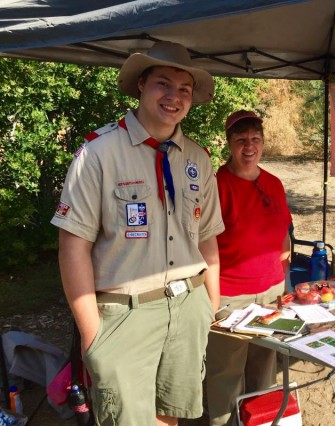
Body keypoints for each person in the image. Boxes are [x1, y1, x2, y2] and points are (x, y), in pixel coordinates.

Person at [51, 41, 225, 426]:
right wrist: (91, 334)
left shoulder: (198, 158)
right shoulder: (99, 153)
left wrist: (209, 303)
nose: (174, 97)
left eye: (184, 89)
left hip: (188, 306)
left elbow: (207, 236)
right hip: (123, 315)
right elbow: (72, 246)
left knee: (171, 415)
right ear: (142, 85)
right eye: (164, 84)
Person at [205, 110, 292, 426]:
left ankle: (258, 420)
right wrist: (212, 300)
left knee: (264, 366)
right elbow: (204, 245)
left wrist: (286, 282)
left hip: (271, 292)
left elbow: (283, 235)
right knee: (225, 374)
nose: (249, 146)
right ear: (229, 144)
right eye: (241, 140)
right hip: (230, 296)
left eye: (255, 139)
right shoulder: (217, 186)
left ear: (263, 142)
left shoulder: (274, 183)